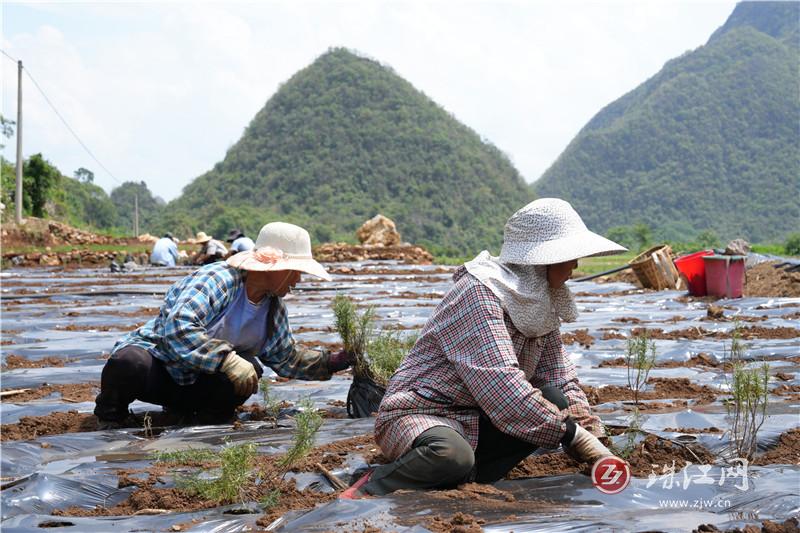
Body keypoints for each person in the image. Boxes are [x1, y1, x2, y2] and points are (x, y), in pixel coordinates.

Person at [341, 198, 628, 498]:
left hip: (479, 417)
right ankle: (369, 486)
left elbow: (561, 379)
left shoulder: (541, 304)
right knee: (451, 456)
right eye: (569, 256)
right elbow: (502, 387)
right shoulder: (479, 293)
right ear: (542, 261)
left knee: (553, 398)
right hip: (425, 413)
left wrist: (594, 434)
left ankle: (459, 476)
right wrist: (572, 435)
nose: (575, 265)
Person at [94, 222, 352, 428]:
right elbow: (178, 326)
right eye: (294, 270)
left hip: (196, 384)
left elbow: (285, 356)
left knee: (251, 370)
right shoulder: (219, 279)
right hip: (160, 370)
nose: (297, 279)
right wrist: (225, 359)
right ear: (272, 266)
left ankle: (201, 418)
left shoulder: (273, 308)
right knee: (129, 362)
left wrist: (333, 361)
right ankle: (110, 416)